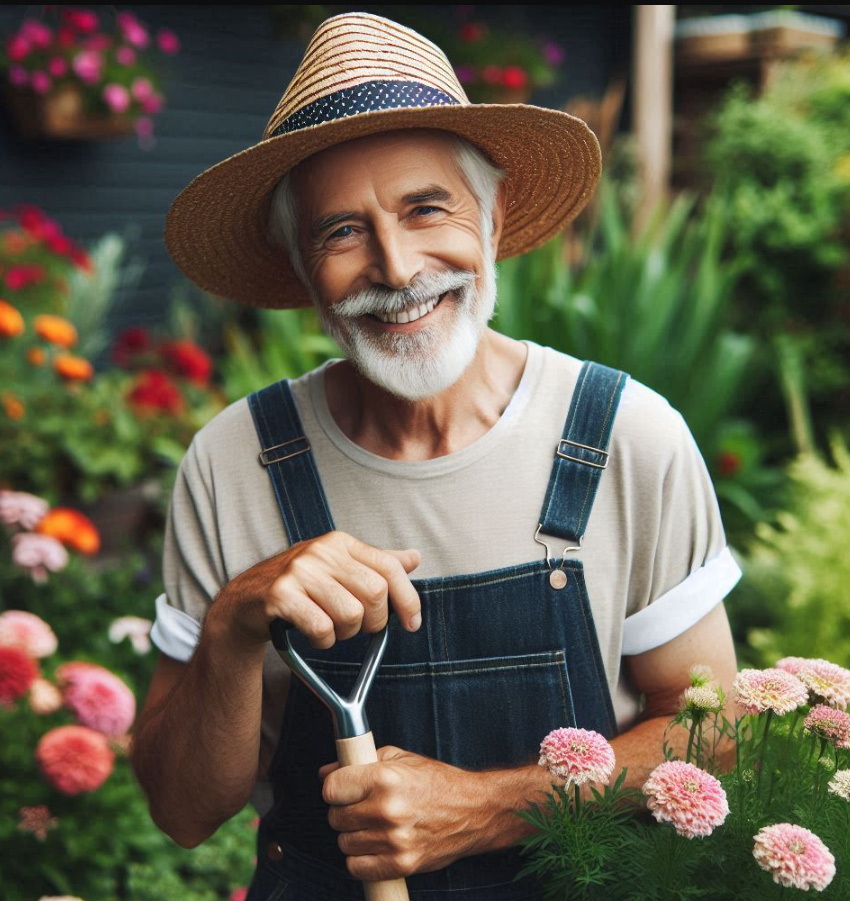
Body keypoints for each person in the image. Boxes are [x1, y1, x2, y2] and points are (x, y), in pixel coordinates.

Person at [131, 11, 741, 900]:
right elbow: (182, 813)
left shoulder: (623, 435)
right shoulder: (235, 462)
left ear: (492, 220)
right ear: (302, 271)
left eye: (428, 208)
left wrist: (490, 805)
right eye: (342, 232)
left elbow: (711, 734)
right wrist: (233, 624)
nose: (396, 265)